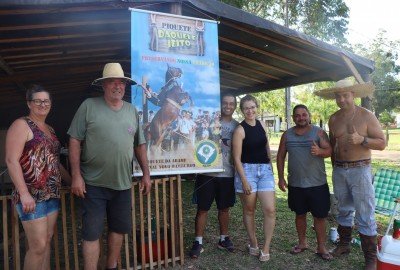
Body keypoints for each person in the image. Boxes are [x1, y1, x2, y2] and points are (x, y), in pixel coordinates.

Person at [67, 63, 151, 270]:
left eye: (121, 82)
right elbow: (74, 140)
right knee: (92, 232)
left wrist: (146, 174)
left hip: (122, 184)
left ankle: (111, 266)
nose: (117, 86)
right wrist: (76, 176)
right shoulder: (89, 105)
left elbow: (139, 145)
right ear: (103, 85)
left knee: (118, 229)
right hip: (93, 184)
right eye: (112, 81)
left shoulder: (132, 110)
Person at [315, 79, 386, 270]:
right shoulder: (334, 118)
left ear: (353, 95)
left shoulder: (366, 116)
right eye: (338, 96)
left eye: (345, 95)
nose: (341, 99)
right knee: (344, 209)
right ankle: (344, 245)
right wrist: (334, 165)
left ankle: (370, 258)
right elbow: (332, 145)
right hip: (339, 169)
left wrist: (362, 139)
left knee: (365, 213)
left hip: (360, 169)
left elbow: (382, 143)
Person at [5, 84, 71, 270]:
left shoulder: (49, 129)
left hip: (51, 193)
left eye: (46, 101)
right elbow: (11, 160)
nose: (43, 104)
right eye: (38, 101)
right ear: (29, 103)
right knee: (37, 246)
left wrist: (72, 182)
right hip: (31, 195)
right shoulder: (21, 125)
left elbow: (54, 161)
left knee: (46, 242)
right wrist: (24, 193)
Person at [277, 104, 333, 261]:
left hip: (317, 184)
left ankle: (321, 247)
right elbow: (280, 156)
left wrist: (320, 152)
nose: (301, 117)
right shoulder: (287, 135)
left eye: (304, 114)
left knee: (320, 217)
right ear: (293, 118)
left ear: (309, 115)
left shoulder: (319, 132)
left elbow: (329, 150)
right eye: (297, 115)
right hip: (296, 184)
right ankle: (302, 243)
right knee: (299, 214)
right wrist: (281, 177)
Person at [189, 93, 239, 258]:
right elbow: (196, 142)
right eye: (225, 103)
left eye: (231, 103)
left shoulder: (238, 126)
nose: (228, 106)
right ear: (220, 105)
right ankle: (198, 242)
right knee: (202, 208)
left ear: (235, 106)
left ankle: (224, 239)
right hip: (207, 173)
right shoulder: (209, 123)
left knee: (224, 209)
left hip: (228, 174)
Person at [232, 94, 275, 262]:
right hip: (247, 170)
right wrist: (243, 180)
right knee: (249, 209)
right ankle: (253, 243)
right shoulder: (240, 130)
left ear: (256, 107)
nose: (250, 110)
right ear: (242, 111)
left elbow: (266, 147)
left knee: (270, 209)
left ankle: (266, 248)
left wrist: (270, 168)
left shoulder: (262, 125)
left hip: (265, 170)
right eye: (246, 108)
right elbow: (236, 158)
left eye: (252, 107)